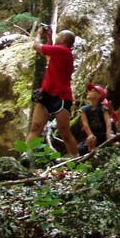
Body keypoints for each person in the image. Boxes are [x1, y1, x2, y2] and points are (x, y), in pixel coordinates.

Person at [26, 25, 79, 158]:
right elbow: (49, 55)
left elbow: (36, 46)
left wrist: (39, 34)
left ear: (63, 40)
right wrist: (49, 37)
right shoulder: (59, 52)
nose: (57, 36)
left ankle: (76, 157)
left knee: (64, 132)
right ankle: (27, 156)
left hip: (61, 96)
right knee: (36, 127)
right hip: (47, 93)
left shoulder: (63, 51)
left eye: (58, 35)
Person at [78, 83, 115, 154]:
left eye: (92, 91)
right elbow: (85, 124)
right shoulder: (84, 110)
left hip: (103, 134)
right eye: (89, 91)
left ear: (99, 96)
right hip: (93, 135)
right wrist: (90, 134)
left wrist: (108, 134)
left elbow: (108, 122)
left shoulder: (103, 108)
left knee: (113, 139)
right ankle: (92, 154)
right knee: (87, 143)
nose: (89, 92)